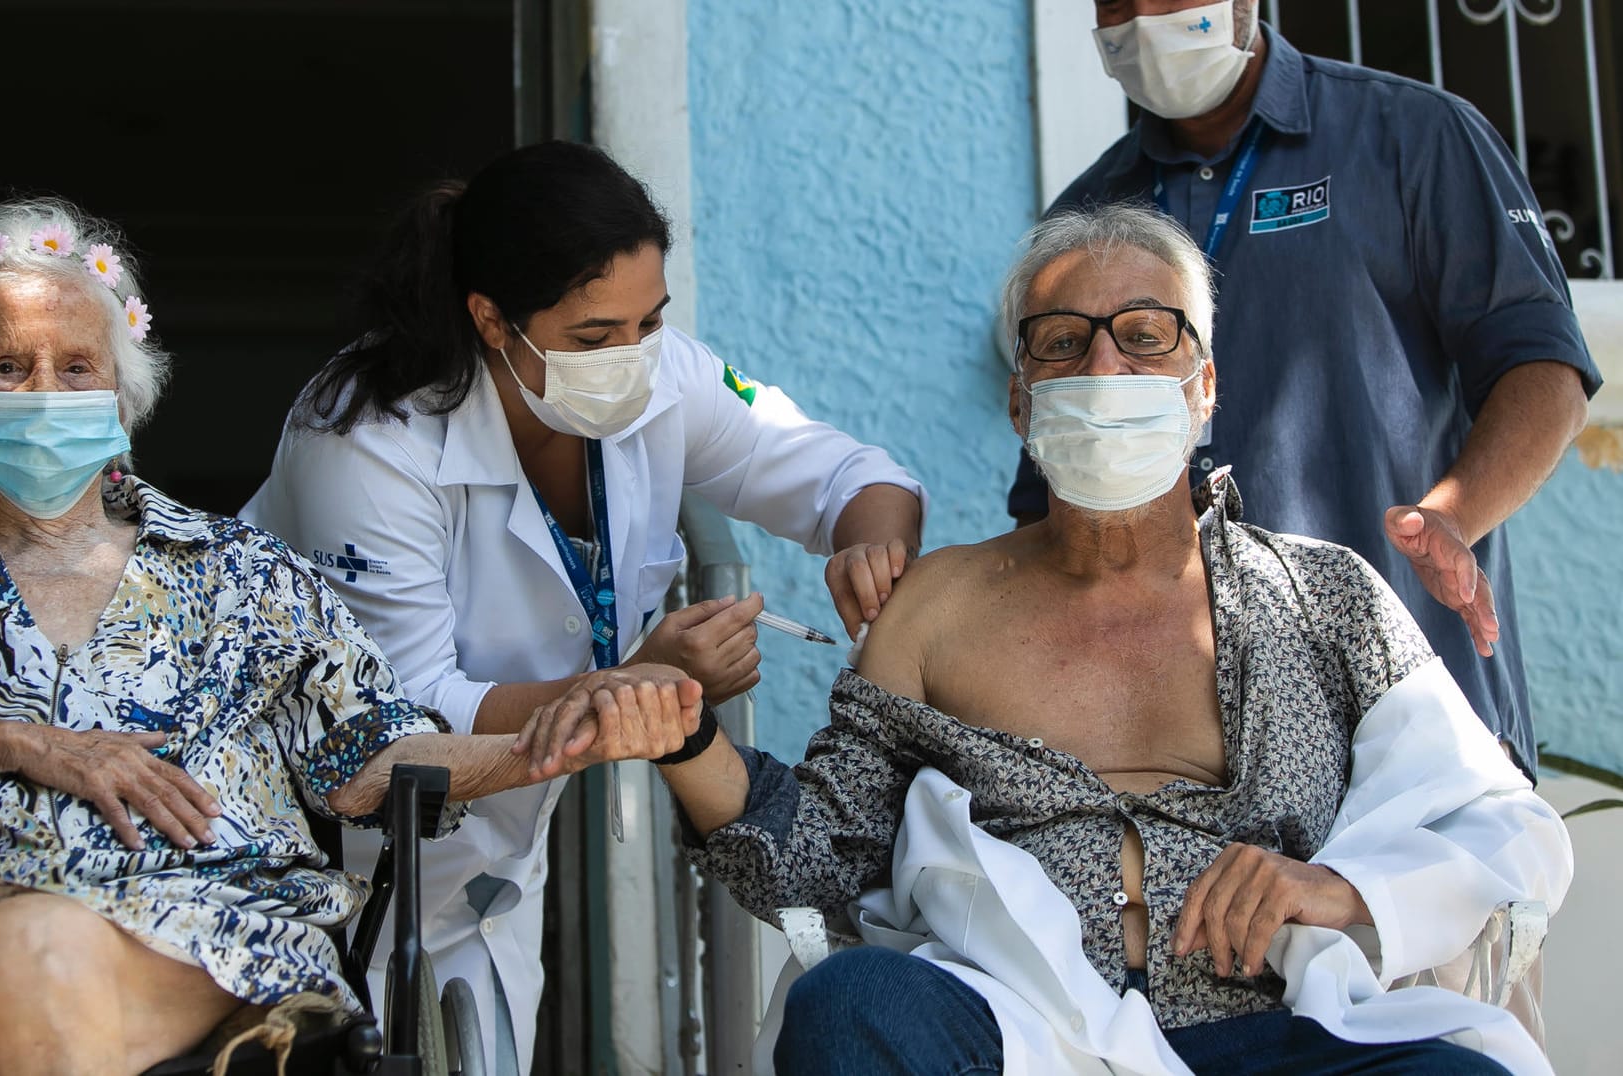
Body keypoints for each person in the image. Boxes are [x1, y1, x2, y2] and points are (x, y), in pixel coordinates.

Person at [0, 198, 705, 1076]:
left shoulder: (235, 570)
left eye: (77, 367)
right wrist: (14, 742)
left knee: (31, 944)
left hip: (189, 928)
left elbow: (372, 755)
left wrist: (559, 734)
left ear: (123, 398)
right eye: (9, 368)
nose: (48, 394)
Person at [648, 205, 1572, 1076]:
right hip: (1017, 1028)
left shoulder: (1322, 594)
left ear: (1204, 386)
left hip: (1280, 1029)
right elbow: (819, 855)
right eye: (1062, 342)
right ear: (1021, 404)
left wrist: (1339, 888)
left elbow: (1501, 822)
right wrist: (685, 732)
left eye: (1144, 336)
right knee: (849, 1006)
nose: (1103, 368)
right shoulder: (933, 609)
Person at [241, 140, 925, 1075]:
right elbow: (399, 719)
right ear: (491, 319)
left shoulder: (657, 373)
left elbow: (846, 472)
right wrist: (635, 688)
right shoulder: (364, 439)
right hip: (315, 863)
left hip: (489, 876)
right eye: (594, 338)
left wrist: (868, 543)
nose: (635, 360)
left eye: (652, 321)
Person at [1010, 0, 1600, 781]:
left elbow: (1544, 368)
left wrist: (1454, 516)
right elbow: (1049, 494)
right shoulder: (1092, 217)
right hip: (1195, 759)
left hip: (1414, 715)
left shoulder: (1412, 137)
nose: (1145, 16)